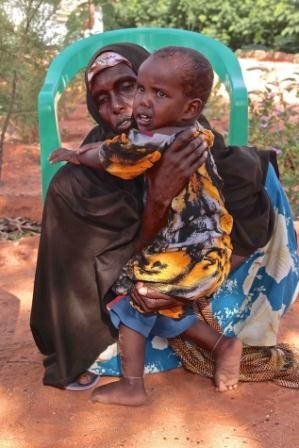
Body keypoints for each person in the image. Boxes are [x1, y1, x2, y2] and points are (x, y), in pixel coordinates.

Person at [31, 42, 299, 393]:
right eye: (102, 99)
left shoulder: (189, 137)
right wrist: (158, 197)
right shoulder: (85, 181)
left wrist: (192, 288)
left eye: (128, 86)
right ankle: (168, 358)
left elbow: (245, 228)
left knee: (259, 173)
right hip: (136, 292)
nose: (121, 105)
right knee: (130, 311)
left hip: (209, 279)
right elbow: (92, 277)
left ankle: (191, 351)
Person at [50, 47, 243, 402]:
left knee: (132, 295)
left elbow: (113, 155)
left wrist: (75, 154)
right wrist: (158, 196)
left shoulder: (152, 137)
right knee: (157, 303)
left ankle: (133, 386)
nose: (132, 104)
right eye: (140, 89)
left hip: (193, 256)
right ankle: (223, 345)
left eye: (131, 86)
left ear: (190, 107)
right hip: (201, 253)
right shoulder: (191, 130)